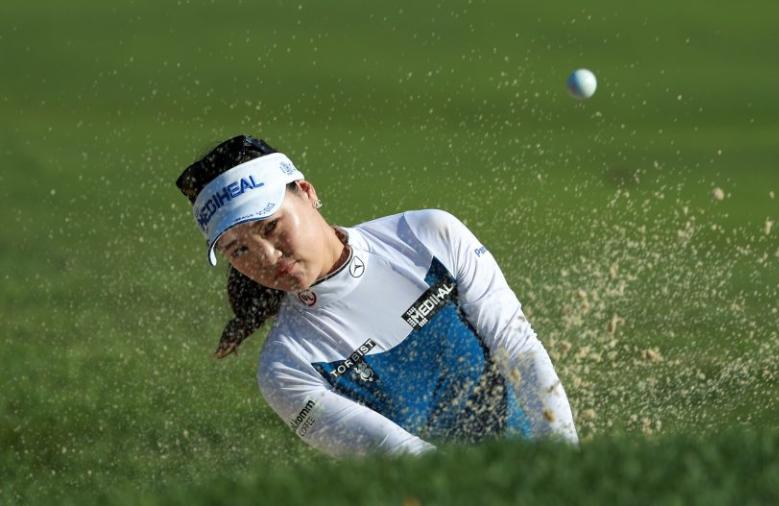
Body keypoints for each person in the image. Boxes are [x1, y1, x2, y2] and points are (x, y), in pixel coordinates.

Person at [175, 135, 579, 456]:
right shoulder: (287, 367)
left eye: (270, 226)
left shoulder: (427, 236)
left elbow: (519, 349)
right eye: (238, 250)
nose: (267, 256)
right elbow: (400, 455)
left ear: (306, 191)